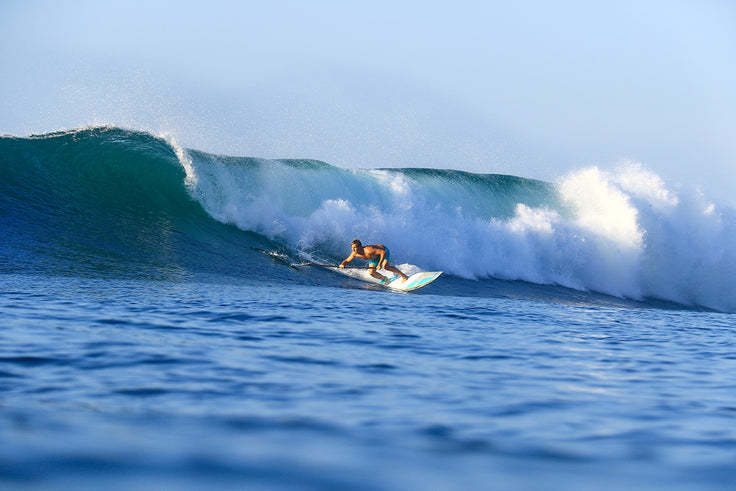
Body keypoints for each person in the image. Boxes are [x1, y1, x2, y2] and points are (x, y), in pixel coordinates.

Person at [339, 239, 409, 284]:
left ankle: (404, 276)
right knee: (372, 273)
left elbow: (383, 252)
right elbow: (347, 260)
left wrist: (379, 264)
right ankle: (386, 280)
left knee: (385, 266)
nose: (353, 249)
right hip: (374, 257)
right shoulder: (354, 253)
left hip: (383, 252)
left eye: (355, 247)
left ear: (360, 247)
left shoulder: (369, 250)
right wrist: (343, 264)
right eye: (352, 247)